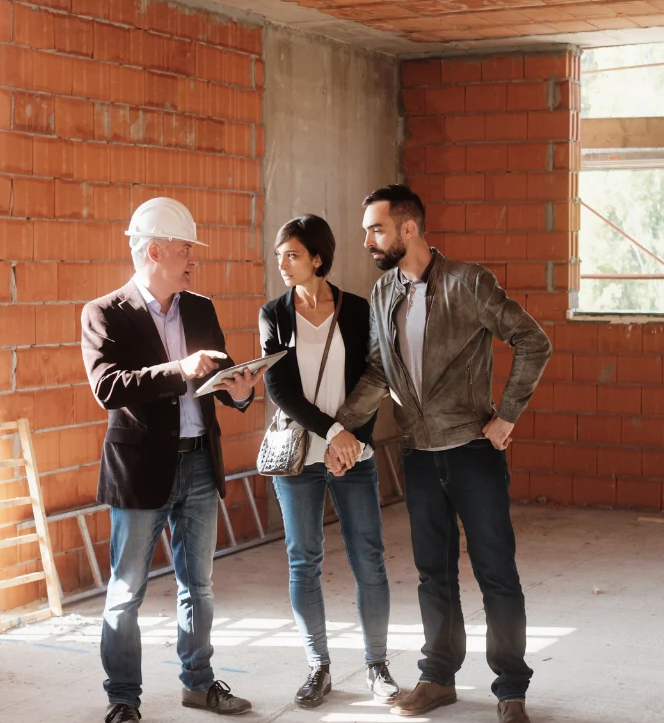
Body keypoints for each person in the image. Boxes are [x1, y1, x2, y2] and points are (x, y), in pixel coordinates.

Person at [325, 185, 552, 723]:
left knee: (496, 571)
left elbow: (532, 340)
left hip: (473, 449)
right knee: (433, 573)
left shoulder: (468, 282)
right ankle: (438, 676)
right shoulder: (382, 293)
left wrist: (508, 415)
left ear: (408, 229)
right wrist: (344, 430)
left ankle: (511, 688)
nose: (367, 241)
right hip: (419, 454)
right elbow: (380, 373)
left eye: (375, 229)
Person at [80, 196, 263, 723]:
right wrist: (178, 367)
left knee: (198, 586)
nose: (194, 260)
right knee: (126, 591)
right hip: (140, 472)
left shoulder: (200, 308)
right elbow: (109, 388)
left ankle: (199, 685)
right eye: (187, 249)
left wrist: (241, 388)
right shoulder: (104, 312)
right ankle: (124, 698)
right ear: (154, 251)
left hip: (200, 464)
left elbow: (217, 381)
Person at [257, 215, 401, 709]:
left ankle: (377, 665)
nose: (282, 263)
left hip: (353, 455)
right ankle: (317, 666)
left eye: (292, 254)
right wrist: (334, 433)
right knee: (304, 560)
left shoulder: (357, 311)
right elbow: (280, 390)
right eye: (279, 255)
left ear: (318, 258)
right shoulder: (273, 314)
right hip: (300, 457)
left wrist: (353, 442)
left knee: (369, 558)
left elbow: (373, 380)